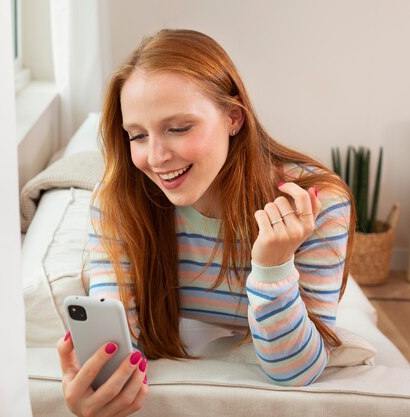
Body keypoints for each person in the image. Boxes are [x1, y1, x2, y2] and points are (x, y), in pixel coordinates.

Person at [57, 28, 355, 416]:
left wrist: (273, 266)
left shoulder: (318, 204)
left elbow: (296, 371)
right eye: (137, 136)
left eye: (179, 128)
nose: (157, 156)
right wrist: (96, 379)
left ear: (233, 117)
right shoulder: (119, 201)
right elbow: (120, 338)